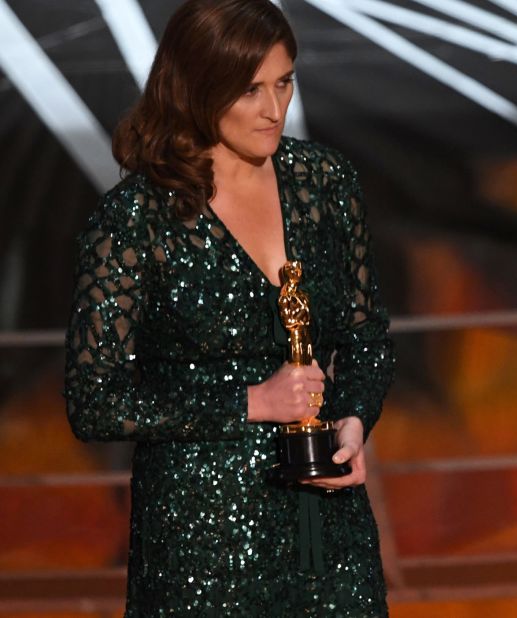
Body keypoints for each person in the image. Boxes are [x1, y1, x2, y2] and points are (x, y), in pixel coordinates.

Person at [63, 1, 394, 615]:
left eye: (285, 81)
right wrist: (251, 402)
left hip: (328, 526)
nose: (275, 109)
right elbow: (93, 401)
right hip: (202, 542)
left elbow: (366, 335)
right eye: (250, 90)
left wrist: (353, 421)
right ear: (196, 88)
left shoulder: (325, 182)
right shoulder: (135, 220)